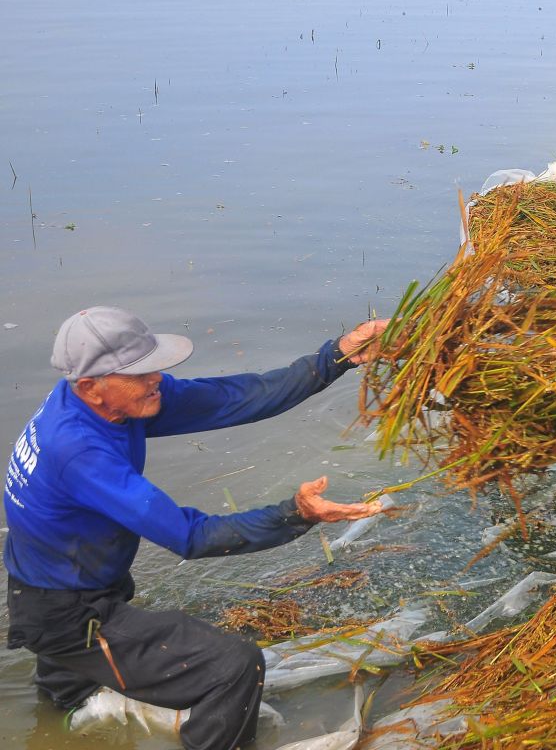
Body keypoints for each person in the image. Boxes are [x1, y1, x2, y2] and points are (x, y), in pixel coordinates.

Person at [4, 305, 389, 750]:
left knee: (66, 709)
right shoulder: (79, 451)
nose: (157, 380)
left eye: (153, 367)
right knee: (235, 668)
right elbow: (190, 536)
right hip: (70, 614)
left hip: (53, 583)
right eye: (141, 373)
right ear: (92, 387)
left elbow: (235, 397)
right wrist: (298, 514)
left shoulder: (101, 401)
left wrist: (337, 355)